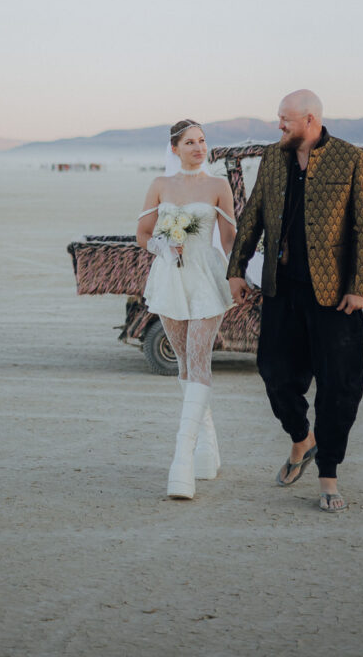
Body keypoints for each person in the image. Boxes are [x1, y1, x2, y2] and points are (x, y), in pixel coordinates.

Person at [227, 89, 363, 513]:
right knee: (273, 372)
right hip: (282, 287)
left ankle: (327, 475)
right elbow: (252, 213)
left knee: (340, 385)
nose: (279, 125)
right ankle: (301, 439)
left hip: (334, 296)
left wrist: (358, 285)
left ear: (310, 119)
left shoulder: (349, 158)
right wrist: (237, 269)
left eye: (285, 119)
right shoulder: (273, 158)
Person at [136, 120, 237, 499]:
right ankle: (207, 448)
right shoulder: (160, 186)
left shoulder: (218, 187)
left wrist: (240, 276)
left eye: (203, 141)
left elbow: (229, 238)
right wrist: (162, 246)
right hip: (169, 279)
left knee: (199, 358)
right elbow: (143, 234)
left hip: (206, 278)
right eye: (190, 142)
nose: (199, 147)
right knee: (183, 364)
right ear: (175, 149)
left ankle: (182, 459)